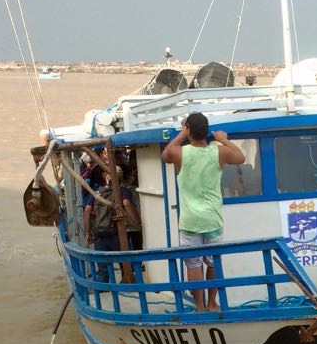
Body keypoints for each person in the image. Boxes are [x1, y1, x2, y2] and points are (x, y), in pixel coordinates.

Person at [161, 112, 245, 311]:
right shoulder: (219, 151)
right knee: (213, 262)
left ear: (188, 129)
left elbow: (165, 155)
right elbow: (241, 157)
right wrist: (224, 140)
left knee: (193, 263)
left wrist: (181, 135)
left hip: (190, 220)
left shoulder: (180, 153)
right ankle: (211, 303)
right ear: (207, 131)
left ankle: (198, 306)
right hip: (212, 218)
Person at [83, 165, 141, 280]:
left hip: (99, 233)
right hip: (117, 233)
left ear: (106, 177)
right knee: (124, 264)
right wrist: (136, 222)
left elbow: (87, 211)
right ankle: (127, 285)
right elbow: (127, 204)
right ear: (121, 178)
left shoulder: (98, 192)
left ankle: (103, 288)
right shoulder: (124, 191)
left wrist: (87, 233)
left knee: (102, 267)